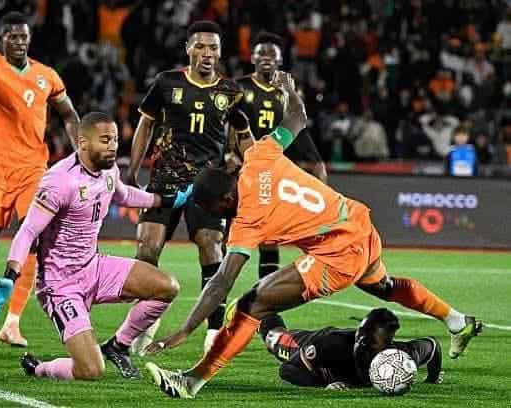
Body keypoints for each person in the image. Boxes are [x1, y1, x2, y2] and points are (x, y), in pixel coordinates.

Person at [144, 72, 481, 399]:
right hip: (359, 224)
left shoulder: (248, 218)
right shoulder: (258, 156)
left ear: (225, 199)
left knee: (250, 305)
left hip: (338, 254)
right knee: (384, 286)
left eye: (212, 209)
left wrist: (185, 329)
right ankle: (456, 320)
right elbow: (298, 117)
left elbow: (221, 281)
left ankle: (190, 382)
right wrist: (289, 89)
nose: (215, 216)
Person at [0, 112, 191, 380]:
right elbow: (28, 231)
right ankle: (39, 368)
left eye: (115, 139)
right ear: (83, 143)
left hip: (94, 267)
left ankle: (118, 345)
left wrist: (166, 200)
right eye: (105, 140)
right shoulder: (60, 180)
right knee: (91, 370)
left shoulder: (109, 171)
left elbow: (124, 194)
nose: (113, 146)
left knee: (166, 287)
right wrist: (10, 275)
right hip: (61, 285)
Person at [0, 0, 80, 347]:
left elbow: (69, 115)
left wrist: (81, 150)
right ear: (2, 39)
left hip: (33, 170)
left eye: (24, 37)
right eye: (12, 37)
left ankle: (12, 323)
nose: (19, 42)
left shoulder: (47, 76)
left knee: (34, 242)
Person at [124, 20, 253, 353]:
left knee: (212, 246)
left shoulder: (231, 92)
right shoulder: (166, 83)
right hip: (164, 180)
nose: (207, 53)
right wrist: (132, 170)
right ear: (188, 49)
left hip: (208, 187)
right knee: (147, 248)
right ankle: (144, 323)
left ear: (220, 53)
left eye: (213, 48)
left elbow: (244, 136)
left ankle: (214, 332)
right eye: (200, 46)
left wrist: (255, 168)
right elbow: (145, 126)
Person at [233, 31, 327, 335]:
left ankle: (263, 305)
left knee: (269, 241)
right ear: (252, 57)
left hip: (274, 173)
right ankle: (222, 312)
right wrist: (230, 154)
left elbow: (299, 127)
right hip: (243, 169)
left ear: (280, 60)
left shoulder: (287, 92)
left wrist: (317, 170)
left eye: (272, 55)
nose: (266, 59)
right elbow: (226, 124)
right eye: (261, 53)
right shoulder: (240, 87)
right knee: (228, 241)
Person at [261, 308, 442, 389]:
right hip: (305, 343)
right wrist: (323, 383)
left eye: (368, 341)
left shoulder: (402, 356)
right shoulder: (331, 344)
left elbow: (433, 346)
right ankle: (254, 308)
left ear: (386, 344)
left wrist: (431, 379)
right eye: (360, 336)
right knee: (273, 335)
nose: (360, 343)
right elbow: (287, 370)